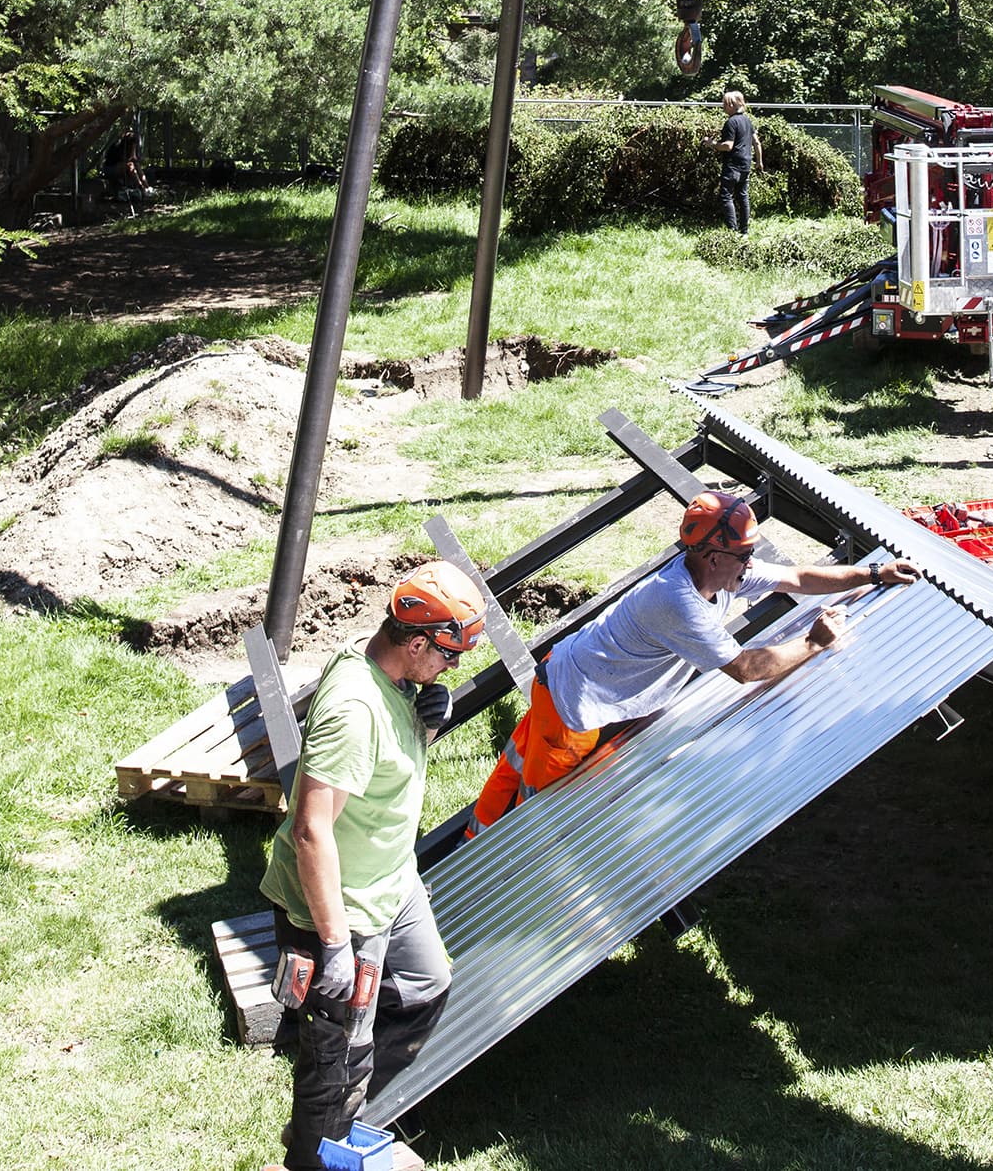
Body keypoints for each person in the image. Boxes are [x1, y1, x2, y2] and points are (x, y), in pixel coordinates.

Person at [466, 489, 918, 834]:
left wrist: (872, 573)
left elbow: (797, 578)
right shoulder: (678, 602)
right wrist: (814, 643)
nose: (751, 564)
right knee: (544, 813)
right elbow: (745, 669)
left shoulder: (721, 572)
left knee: (516, 766)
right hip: (572, 711)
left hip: (561, 676)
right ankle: (492, 872)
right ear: (715, 555)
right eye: (745, 555)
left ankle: (471, 841)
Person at [260, 562, 486, 1171]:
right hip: (343, 908)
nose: (452, 668)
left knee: (425, 987)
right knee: (337, 1053)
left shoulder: (387, 674)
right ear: (416, 643)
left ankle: (343, 1124)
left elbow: (382, 767)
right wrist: (334, 943)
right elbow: (311, 830)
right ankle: (315, 1155)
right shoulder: (354, 709)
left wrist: (423, 726)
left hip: (392, 883)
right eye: (449, 655)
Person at [707, 87, 763, 236]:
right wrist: (759, 162)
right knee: (743, 197)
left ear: (731, 105)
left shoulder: (731, 122)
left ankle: (732, 232)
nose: (723, 107)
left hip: (732, 165)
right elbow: (757, 142)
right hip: (746, 164)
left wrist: (712, 143)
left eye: (725, 104)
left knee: (726, 196)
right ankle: (744, 232)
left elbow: (728, 146)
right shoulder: (747, 121)